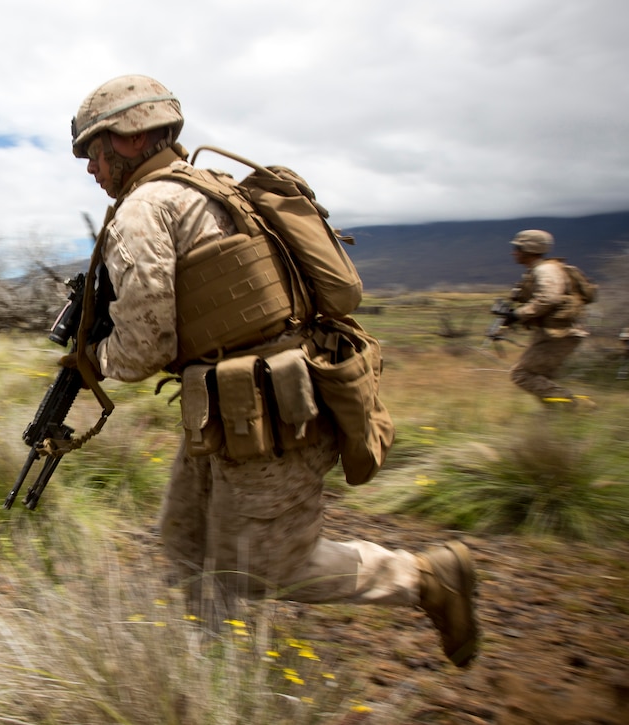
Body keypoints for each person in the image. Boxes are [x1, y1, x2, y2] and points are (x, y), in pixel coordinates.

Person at [68, 74, 478, 667]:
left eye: (93, 151)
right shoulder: (213, 187)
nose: (90, 168)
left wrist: (93, 359)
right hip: (237, 404)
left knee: (271, 566)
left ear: (130, 139)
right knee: (186, 539)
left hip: (268, 410)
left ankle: (426, 578)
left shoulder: (145, 209)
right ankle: (208, 674)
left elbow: (141, 349)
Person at [500, 230, 594, 410]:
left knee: (522, 374)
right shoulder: (540, 270)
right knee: (542, 378)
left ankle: (577, 407)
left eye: (517, 248)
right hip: (555, 332)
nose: (514, 252)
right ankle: (554, 417)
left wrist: (518, 315)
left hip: (560, 333)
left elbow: (548, 298)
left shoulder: (545, 270)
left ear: (528, 248)